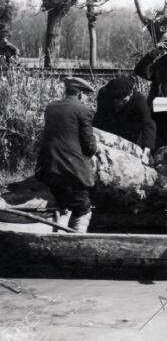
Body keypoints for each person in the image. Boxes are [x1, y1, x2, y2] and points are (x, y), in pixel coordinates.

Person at [35, 77, 99, 233]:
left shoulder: (51, 108)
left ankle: (59, 234)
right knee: (83, 209)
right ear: (80, 94)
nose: (86, 99)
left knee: (63, 205)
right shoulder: (83, 111)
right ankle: (75, 245)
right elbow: (90, 147)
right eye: (86, 95)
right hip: (71, 171)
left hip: (48, 167)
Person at [93, 76, 156, 164]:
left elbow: (148, 124)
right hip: (109, 130)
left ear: (131, 94)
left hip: (129, 134)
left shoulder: (139, 100)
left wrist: (147, 149)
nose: (119, 103)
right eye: (116, 100)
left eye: (123, 100)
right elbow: (100, 117)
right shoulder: (104, 94)